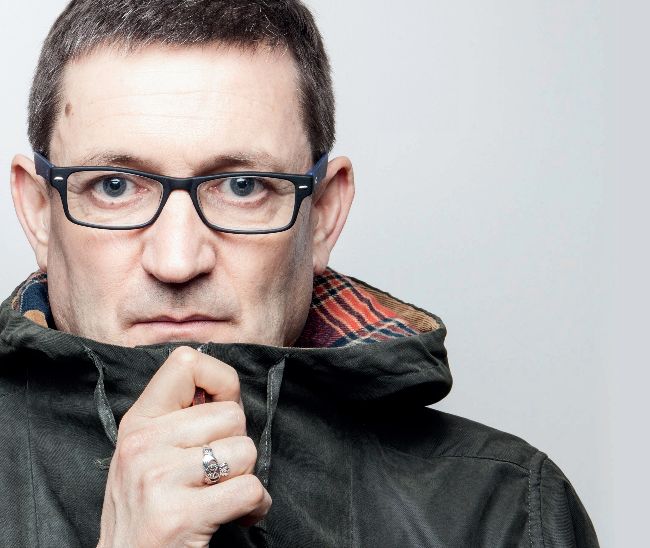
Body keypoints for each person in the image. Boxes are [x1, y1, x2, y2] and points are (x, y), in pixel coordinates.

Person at [0, 0, 600, 546]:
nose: (177, 262)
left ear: (324, 215)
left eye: (243, 186)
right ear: (38, 212)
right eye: (114, 186)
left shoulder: (505, 511)